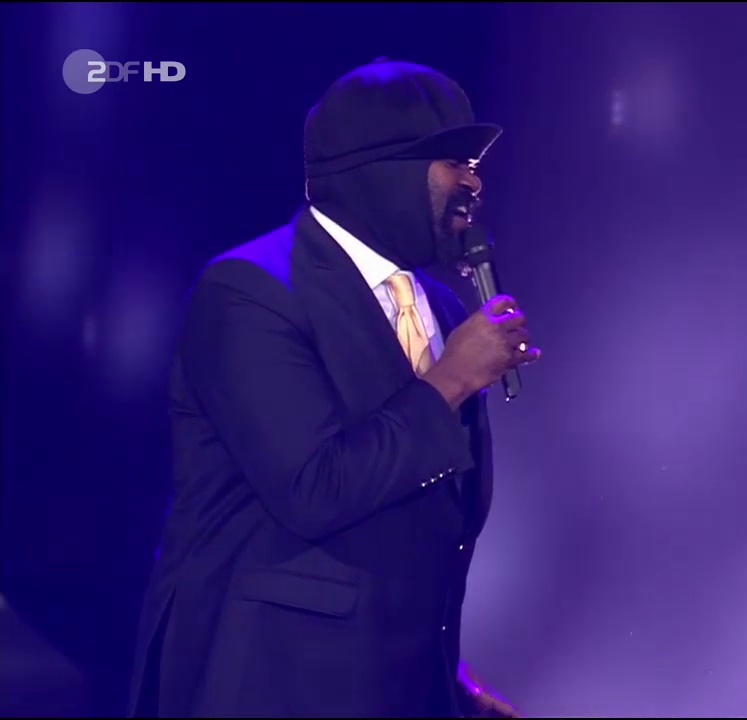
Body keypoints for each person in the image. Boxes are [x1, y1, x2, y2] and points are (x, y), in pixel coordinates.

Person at [126, 58, 536, 718]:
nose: (473, 182)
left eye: (474, 164)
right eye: (454, 161)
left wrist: (446, 683)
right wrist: (454, 377)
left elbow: (409, 530)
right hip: (272, 687)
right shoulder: (249, 291)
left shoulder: (439, 307)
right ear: (381, 172)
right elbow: (314, 489)